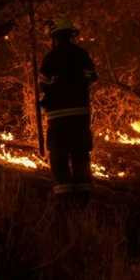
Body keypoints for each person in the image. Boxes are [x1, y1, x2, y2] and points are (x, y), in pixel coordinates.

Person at [39, 17, 97, 200]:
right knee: (80, 155)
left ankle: (64, 200)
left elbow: (44, 85)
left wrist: (51, 94)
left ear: (54, 37)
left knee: (59, 156)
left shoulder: (50, 58)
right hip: (80, 115)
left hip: (57, 117)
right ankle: (83, 198)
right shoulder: (81, 54)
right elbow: (92, 78)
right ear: (71, 35)